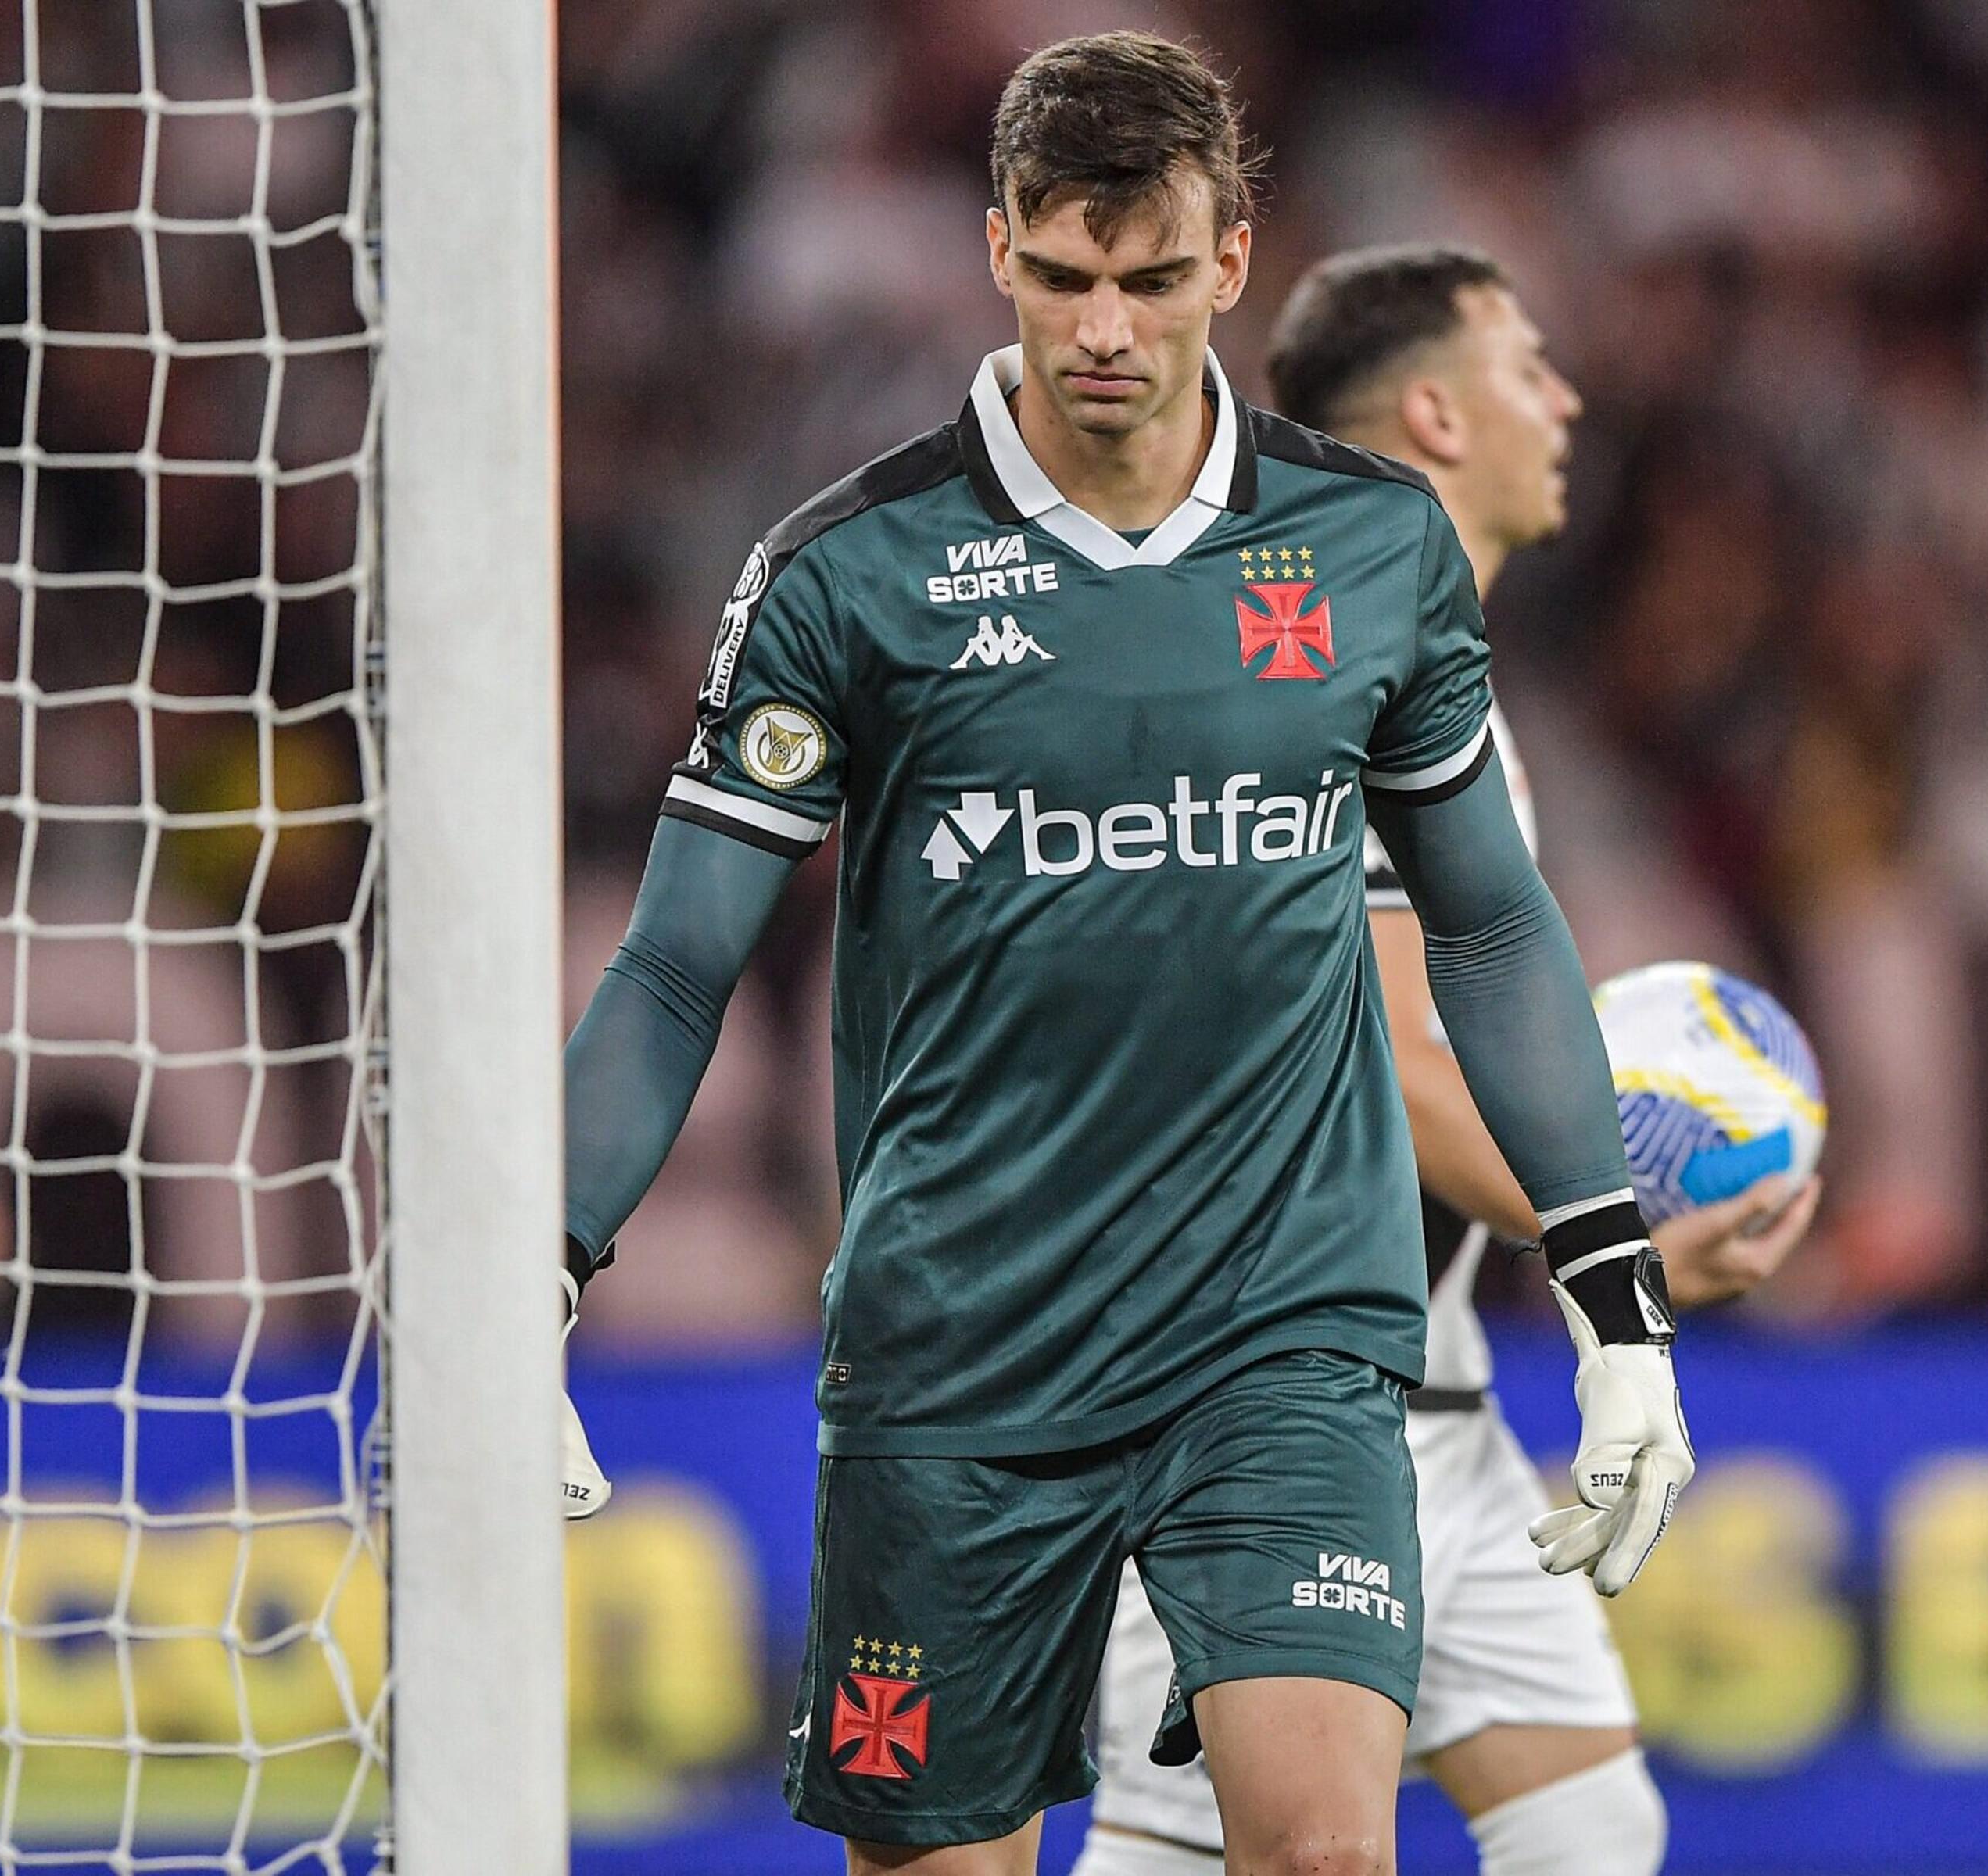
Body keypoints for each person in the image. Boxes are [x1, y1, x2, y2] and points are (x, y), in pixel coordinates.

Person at [556, 35, 1694, 1876]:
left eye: (1154, 278)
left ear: (1231, 265)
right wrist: (547, 1256)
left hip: (1289, 1340)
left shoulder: (1367, 549)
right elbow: (679, 965)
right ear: (995, 247)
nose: (1107, 328)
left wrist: (1613, 1299)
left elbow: (1488, 921)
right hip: (961, 1351)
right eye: (1065, 275)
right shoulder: (850, 575)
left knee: (1326, 1851)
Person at [1074, 250, 1821, 1876]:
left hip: (1426, 1391)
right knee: (1247, 1854)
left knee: (1588, 1830)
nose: (1563, 401)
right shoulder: (1326, 662)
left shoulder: (1414, 657)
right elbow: (1393, 1067)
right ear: (1434, 409)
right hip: (1256, 1394)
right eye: (1529, 363)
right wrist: (1613, 1249)